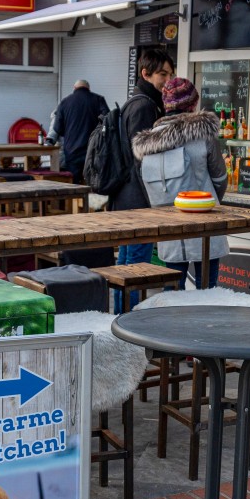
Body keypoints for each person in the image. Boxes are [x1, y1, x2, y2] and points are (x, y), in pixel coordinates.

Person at [132, 77, 228, 290]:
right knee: (208, 291)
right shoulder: (203, 136)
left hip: (170, 227)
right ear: (193, 105)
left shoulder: (149, 142)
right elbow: (220, 178)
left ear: (165, 105)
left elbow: (146, 185)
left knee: (173, 290)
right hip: (205, 226)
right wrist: (210, 203)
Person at [108, 46, 173, 311]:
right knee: (135, 267)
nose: (167, 81)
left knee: (126, 263)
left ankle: (121, 318)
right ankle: (128, 322)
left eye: (170, 74)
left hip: (126, 196)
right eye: (162, 75)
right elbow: (143, 158)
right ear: (145, 74)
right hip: (138, 199)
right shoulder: (145, 106)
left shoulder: (136, 102)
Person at [47, 79, 108, 185]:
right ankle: (90, 200)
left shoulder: (65, 102)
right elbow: (108, 120)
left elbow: (58, 128)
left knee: (74, 183)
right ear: (88, 88)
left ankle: (74, 200)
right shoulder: (98, 100)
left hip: (72, 151)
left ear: (74, 88)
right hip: (93, 150)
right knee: (92, 182)